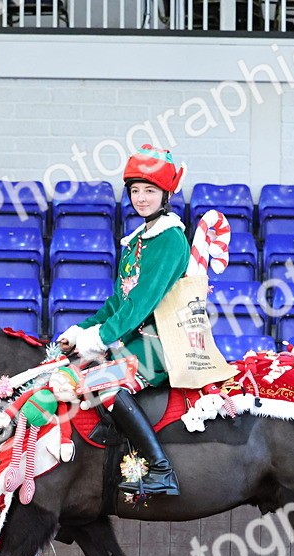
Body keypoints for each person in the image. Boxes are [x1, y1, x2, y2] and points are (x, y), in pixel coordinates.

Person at [57, 144, 190, 497]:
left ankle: (161, 470)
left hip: (161, 341)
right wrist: (82, 331)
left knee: (105, 381)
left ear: (165, 194)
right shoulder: (136, 242)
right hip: (133, 337)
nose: (141, 198)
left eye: (149, 191)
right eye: (135, 191)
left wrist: (101, 339)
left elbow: (142, 305)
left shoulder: (170, 239)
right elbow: (119, 301)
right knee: (71, 367)